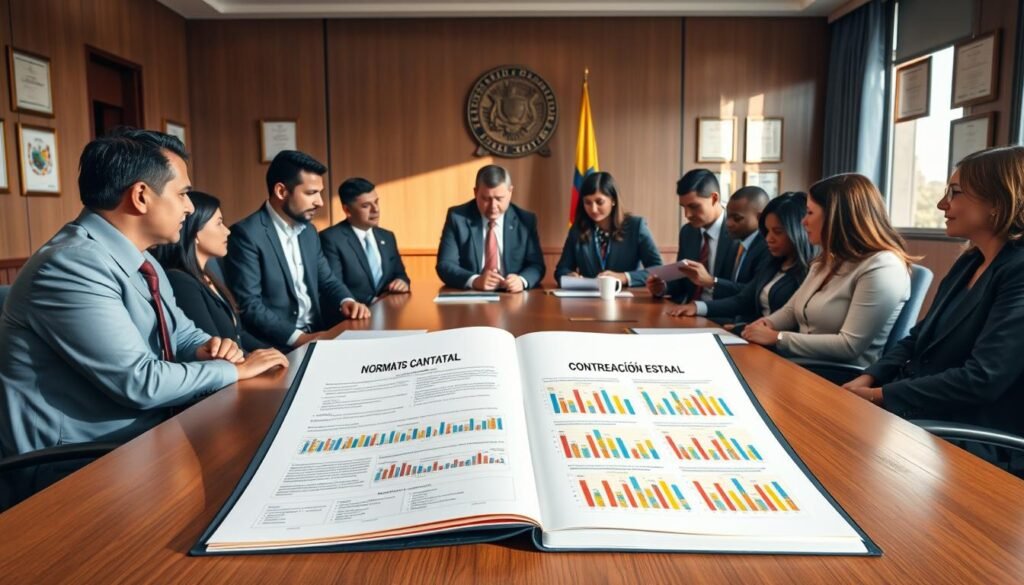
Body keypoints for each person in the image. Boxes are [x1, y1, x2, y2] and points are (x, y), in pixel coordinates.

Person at [0, 128, 289, 458]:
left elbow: (181, 335)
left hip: (144, 440)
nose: (190, 208)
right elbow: (139, 382)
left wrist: (207, 348)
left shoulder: (144, 258)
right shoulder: (70, 266)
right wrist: (234, 370)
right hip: (76, 464)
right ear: (140, 196)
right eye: (182, 194)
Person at [843, 146, 1024, 472]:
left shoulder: (1019, 271)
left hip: (973, 436)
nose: (942, 204)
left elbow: (982, 379)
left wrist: (879, 396)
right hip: (922, 414)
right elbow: (916, 338)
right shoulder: (970, 261)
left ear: (998, 200)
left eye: (954, 193)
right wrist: (869, 378)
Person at [740, 174, 912, 368]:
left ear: (835, 216)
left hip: (837, 377)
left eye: (810, 213)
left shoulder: (883, 267)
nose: (803, 221)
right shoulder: (828, 259)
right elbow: (791, 310)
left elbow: (849, 346)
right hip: (800, 366)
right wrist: (766, 324)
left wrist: (777, 337)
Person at [225, 151, 371, 352]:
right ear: (281, 191)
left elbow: (327, 280)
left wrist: (347, 300)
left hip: (319, 333)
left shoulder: (309, 231)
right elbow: (250, 306)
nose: (320, 202)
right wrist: (299, 338)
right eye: (311, 193)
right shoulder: (246, 234)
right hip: (277, 346)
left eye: (320, 192)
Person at [667, 192, 814, 325]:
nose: (769, 238)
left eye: (777, 232)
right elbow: (744, 299)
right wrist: (698, 307)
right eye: (767, 231)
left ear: (798, 230)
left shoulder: (811, 269)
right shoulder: (774, 262)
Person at [152, 191, 267, 352]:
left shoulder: (212, 273)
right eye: (219, 223)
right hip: (228, 370)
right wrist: (257, 362)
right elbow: (213, 346)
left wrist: (275, 353)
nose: (227, 231)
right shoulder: (181, 282)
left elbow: (238, 334)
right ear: (195, 233)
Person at [436, 164, 545, 291]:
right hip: (472, 297)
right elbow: (445, 265)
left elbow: (536, 265)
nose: (493, 206)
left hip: (513, 297)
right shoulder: (457, 218)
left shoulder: (525, 220)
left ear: (510, 192)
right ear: (476, 192)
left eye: (499, 199)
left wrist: (521, 280)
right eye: (486, 199)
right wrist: (475, 280)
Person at [646, 169, 742, 302]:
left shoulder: (738, 233)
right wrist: (663, 287)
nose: (687, 215)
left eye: (694, 207)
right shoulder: (688, 232)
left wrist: (710, 281)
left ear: (714, 198)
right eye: (683, 207)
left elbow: (745, 290)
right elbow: (682, 282)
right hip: (688, 312)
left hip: (723, 316)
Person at [554, 172, 662, 287]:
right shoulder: (577, 229)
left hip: (627, 298)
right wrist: (569, 276)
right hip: (587, 299)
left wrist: (624, 277)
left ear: (613, 200)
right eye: (587, 203)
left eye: (599, 202)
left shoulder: (636, 226)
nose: (593, 209)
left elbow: (658, 269)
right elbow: (561, 270)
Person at [320, 177, 410, 304]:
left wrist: (402, 282)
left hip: (389, 312)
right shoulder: (331, 239)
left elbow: (400, 274)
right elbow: (334, 286)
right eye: (366, 206)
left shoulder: (387, 237)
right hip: (352, 316)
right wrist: (372, 302)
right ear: (347, 210)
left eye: (376, 202)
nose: (376, 210)